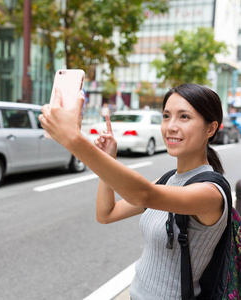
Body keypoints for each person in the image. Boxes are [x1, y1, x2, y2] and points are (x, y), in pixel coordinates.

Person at [39, 83, 227, 299]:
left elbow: (143, 194)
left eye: (184, 117)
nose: (170, 126)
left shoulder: (210, 193)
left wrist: (74, 140)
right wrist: (108, 160)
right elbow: (106, 214)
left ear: (210, 129)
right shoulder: (168, 180)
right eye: (166, 116)